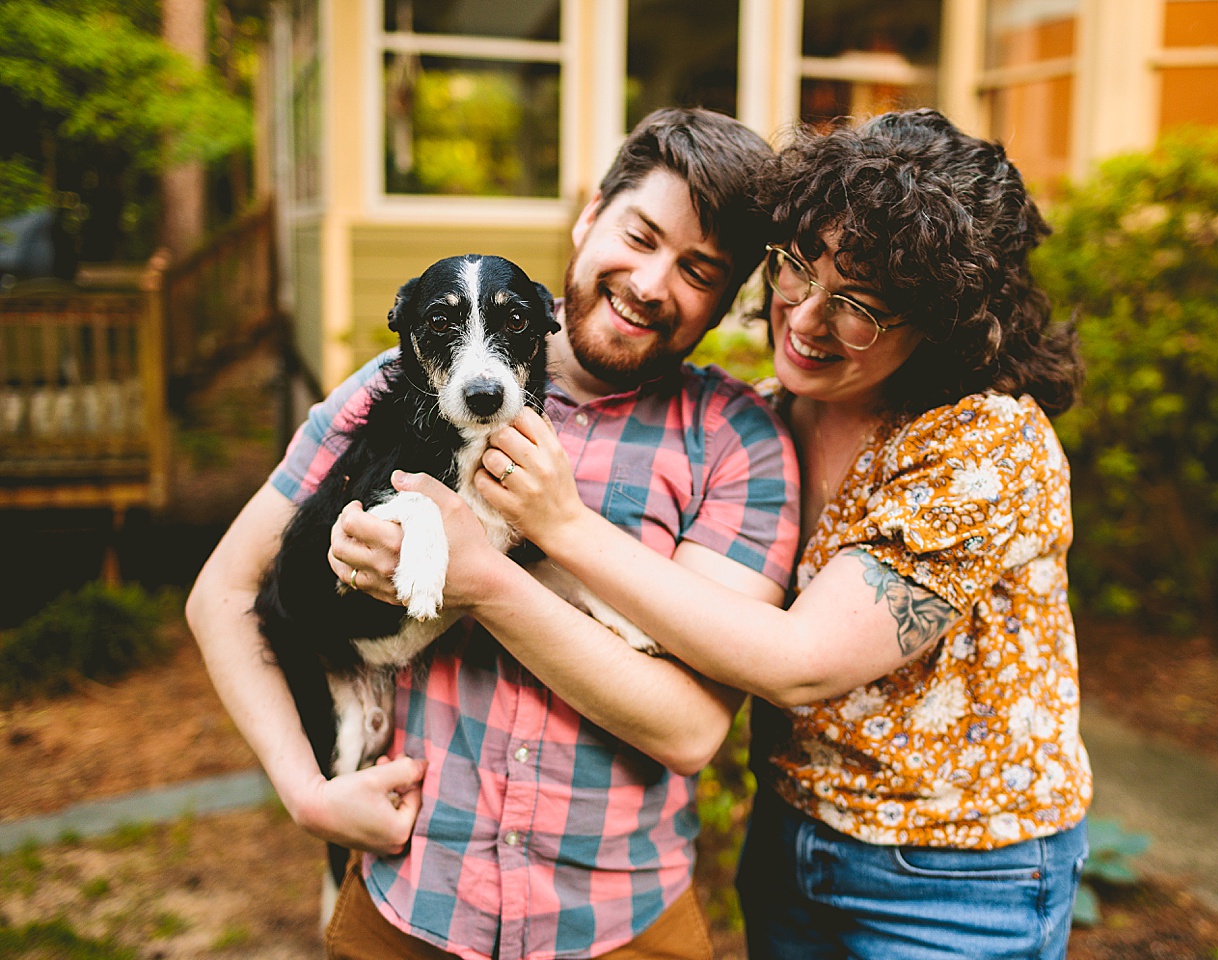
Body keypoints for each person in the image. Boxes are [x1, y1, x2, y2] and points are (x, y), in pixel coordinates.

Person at [341, 109, 1092, 959]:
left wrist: (557, 528)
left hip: (959, 873)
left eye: (861, 307)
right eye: (797, 273)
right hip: (794, 839)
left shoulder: (983, 443)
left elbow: (799, 664)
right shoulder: (779, 414)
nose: (804, 320)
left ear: (940, 320)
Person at [186, 106, 800, 960]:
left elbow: (689, 731)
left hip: (619, 927)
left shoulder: (737, 444)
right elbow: (222, 592)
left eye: (699, 268)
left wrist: (494, 571)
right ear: (590, 215)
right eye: (641, 233)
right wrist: (307, 793)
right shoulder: (401, 382)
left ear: (728, 300)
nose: (653, 282)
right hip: (408, 907)